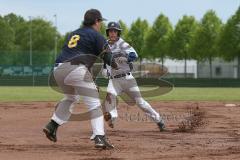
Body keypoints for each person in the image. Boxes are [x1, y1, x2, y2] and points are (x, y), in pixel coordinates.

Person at [43, 9, 114, 149]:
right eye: (100, 21)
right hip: (76, 69)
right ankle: (99, 137)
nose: (100, 25)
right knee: (94, 104)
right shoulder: (96, 35)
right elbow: (108, 57)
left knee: (71, 98)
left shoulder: (74, 34)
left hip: (58, 70)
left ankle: (52, 125)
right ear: (96, 21)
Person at [102, 22, 165, 131]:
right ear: (108, 33)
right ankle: (112, 117)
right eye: (111, 31)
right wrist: (105, 71)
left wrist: (123, 58)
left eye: (115, 31)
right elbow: (105, 62)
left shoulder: (123, 44)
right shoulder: (105, 46)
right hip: (114, 81)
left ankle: (159, 120)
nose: (112, 33)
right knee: (110, 96)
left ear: (118, 33)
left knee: (140, 103)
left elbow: (134, 55)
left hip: (127, 79)